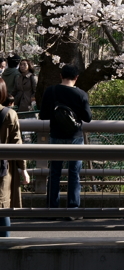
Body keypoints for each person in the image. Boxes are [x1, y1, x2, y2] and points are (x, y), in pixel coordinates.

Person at [39, 64, 92, 215]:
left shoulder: (51, 91)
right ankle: (72, 210)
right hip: (75, 137)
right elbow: (88, 118)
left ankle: (51, 209)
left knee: (54, 172)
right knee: (74, 173)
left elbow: (43, 115)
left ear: (61, 76)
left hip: (56, 135)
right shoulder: (81, 94)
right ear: (76, 78)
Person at [0, 79, 30, 237]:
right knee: (3, 207)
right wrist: (23, 169)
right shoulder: (9, 114)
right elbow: (17, 143)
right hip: (3, 169)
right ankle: (5, 249)